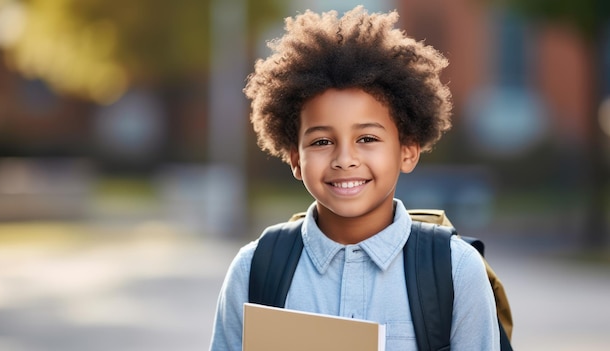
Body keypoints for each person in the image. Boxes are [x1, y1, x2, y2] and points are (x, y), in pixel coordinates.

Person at [209, 5, 499, 351]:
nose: (345, 159)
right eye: (321, 141)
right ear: (295, 159)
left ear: (407, 150)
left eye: (367, 139)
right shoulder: (253, 270)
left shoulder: (456, 272)